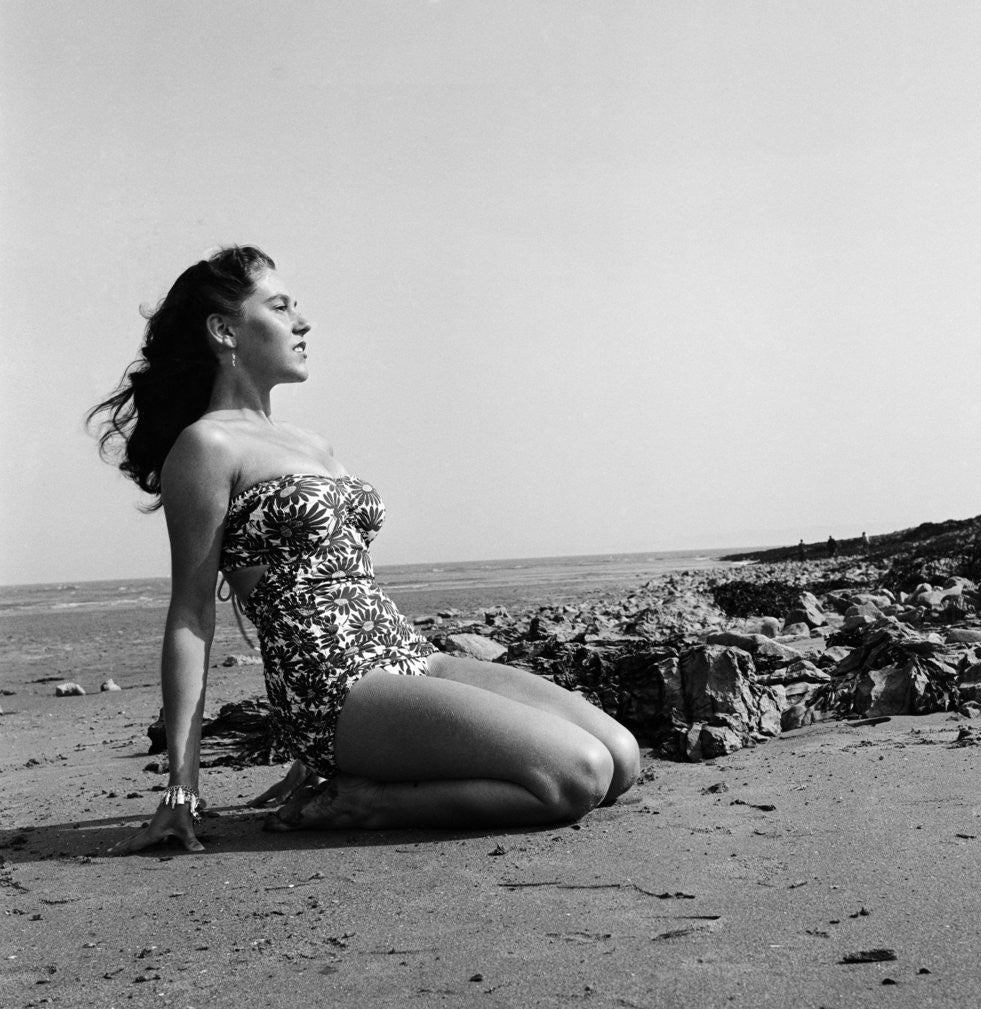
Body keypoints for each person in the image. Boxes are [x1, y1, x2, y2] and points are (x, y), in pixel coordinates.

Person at [89, 246, 640, 854]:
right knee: (577, 775)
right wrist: (181, 789)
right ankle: (365, 800)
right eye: (279, 307)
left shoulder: (313, 444)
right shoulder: (206, 447)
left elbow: (343, 570)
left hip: (407, 655)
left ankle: (360, 769)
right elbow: (192, 615)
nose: (303, 323)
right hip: (334, 685)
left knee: (621, 759)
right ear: (224, 330)